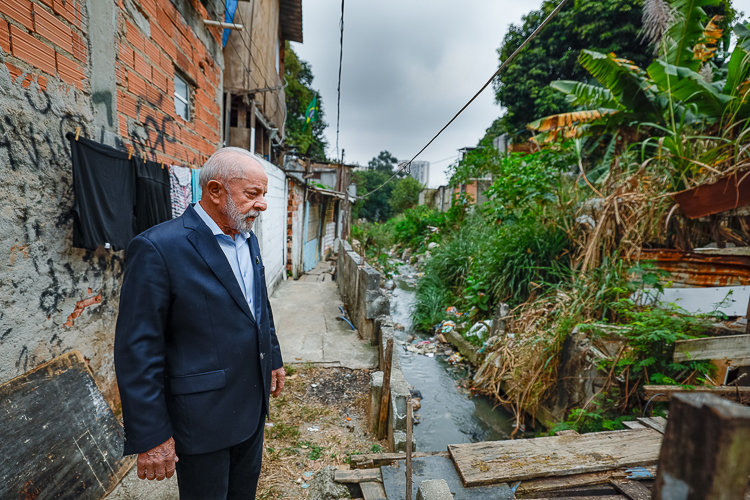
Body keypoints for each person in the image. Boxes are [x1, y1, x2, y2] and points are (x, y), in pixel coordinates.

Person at [114, 147, 285, 499]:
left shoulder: (247, 238)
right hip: (201, 417)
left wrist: (273, 359)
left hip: (250, 406)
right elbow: (138, 349)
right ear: (215, 190)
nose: (263, 204)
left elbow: (258, 307)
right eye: (253, 194)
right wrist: (152, 435)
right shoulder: (158, 248)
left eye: (264, 194)